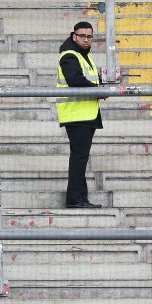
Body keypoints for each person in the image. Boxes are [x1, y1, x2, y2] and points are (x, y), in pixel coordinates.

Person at [56, 21, 103, 209]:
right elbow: (75, 80)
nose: (86, 39)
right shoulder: (69, 55)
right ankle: (75, 200)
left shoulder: (84, 55)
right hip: (77, 115)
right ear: (73, 36)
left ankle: (81, 198)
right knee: (79, 158)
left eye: (89, 36)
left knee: (80, 157)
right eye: (82, 36)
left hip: (86, 113)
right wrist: (98, 91)